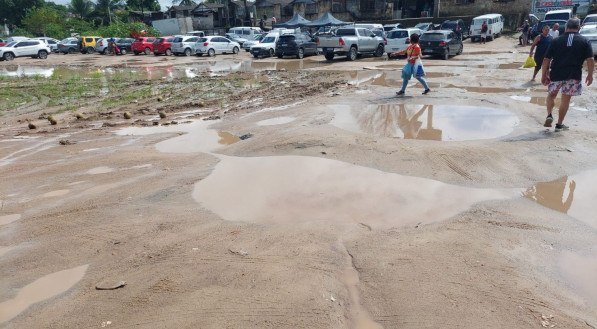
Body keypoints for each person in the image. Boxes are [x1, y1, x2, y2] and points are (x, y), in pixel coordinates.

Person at [541, 18, 594, 131]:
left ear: (566, 27)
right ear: (578, 28)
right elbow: (590, 59)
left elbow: (546, 59)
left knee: (551, 95)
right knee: (566, 100)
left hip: (556, 74)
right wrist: (590, 75)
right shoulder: (585, 41)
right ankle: (559, 124)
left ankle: (549, 114)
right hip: (573, 75)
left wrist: (543, 75)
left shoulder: (556, 40)